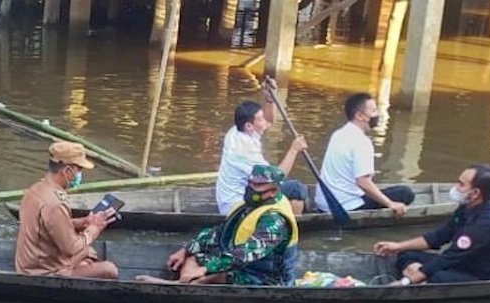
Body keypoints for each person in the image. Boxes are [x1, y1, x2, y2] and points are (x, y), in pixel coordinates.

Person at [138, 164, 298, 286]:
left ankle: (175, 286)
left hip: (263, 278)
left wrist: (207, 269)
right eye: (250, 184)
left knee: (212, 277)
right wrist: (185, 250)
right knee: (192, 259)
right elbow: (219, 232)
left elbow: (245, 253)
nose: (251, 189)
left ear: (273, 191)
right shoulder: (250, 205)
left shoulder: (275, 220)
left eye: (258, 186)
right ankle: (183, 283)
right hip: (237, 265)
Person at [373, 164, 490, 284]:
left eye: (461, 185)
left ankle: (418, 279)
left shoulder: (484, 224)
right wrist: (397, 246)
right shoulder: (468, 206)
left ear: (475, 193)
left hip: (481, 273)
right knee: (405, 253)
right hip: (462, 261)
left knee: (436, 277)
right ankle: (418, 277)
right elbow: (440, 236)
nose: (456, 188)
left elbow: (449, 258)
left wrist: (406, 282)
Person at [15, 142, 118, 279]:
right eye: (79, 169)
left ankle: (80, 266)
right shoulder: (55, 204)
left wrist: (83, 222)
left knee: (88, 252)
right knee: (109, 270)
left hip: (30, 262)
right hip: (42, 272)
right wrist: (94, 228)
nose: (80, 174)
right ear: (66, 171)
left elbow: (49, 225)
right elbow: (71, 247)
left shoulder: (35, 189)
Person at [216, 78, 308, 215]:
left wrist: (270, 100)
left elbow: (269, 121)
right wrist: (294, 150)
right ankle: (293, 227)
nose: (264, 122)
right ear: (249, 126)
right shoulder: (244, 149)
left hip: (238, 196)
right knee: (297, 190)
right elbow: (277, 177)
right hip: (237, 205)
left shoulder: (236, 130)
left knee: (294, 193)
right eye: (260, 119)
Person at [314, 93, 414, 216]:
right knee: (405, 193)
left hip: (323, 203)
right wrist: (390, 204)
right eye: (373, 111)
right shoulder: (361, 142)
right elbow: (363, 183)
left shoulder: (338, 134)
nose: (377, 114)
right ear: (360, 116)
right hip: (345, 207)